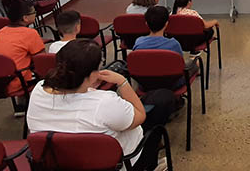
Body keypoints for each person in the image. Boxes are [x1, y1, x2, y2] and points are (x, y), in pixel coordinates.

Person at [27, 39, 171, 171]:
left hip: (61, 162)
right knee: (161, 100)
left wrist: (88, 87)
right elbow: (140, 115)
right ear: (91, 75)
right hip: (120, 163)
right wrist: (122, 82)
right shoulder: (104, 102)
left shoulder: (39, 89)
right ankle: (151, 165)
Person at [0, 0, 45, 101]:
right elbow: (42, 61)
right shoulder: (30, 33)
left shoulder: (2, 31)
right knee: (46, 69)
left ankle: (21, 105)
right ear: (25, 18)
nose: (36, 14)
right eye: (34, 12)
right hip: (14, 82)